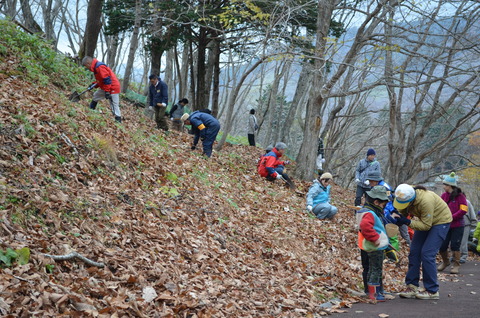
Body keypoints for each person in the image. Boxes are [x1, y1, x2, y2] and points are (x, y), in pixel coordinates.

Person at [393, 184, 452, 300]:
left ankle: (432, 290)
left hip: (440, 222)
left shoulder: (426, 201)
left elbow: (426, 225)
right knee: (414, 251)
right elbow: (403, 210)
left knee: (427, 253)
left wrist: (407, 221)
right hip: (426, 221)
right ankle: (412, 286)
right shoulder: (404, 193)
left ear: (412, 200)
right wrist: (398, 218)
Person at [356, 186, 390, 302]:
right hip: (372, 245)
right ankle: (373, 293)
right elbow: (365, 226)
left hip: (366, 244)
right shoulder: (370, 213)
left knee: (371, 268)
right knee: (374, 268)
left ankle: (376, 290)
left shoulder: (366, 210)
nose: (383, 207)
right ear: (376, 202)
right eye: (383, 204)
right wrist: (375, 238)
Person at [437, 172, 468, 274]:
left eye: (445, 185)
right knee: (442, 245)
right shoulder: (443, 196)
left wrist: (451, 217)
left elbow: (463, 210)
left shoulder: (461, 196)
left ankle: (456, 264)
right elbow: (439, 207)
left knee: (455, 245)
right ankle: (445, 262)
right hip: (445, 225)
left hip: (458, 225)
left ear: (450, 185)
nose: (443, 186)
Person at [81, 56, 122, 123]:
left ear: (88, 63)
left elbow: (107, 80)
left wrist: (107, 92)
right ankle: (91, 110)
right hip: (107, 87)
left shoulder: (99, 67)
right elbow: (100, 80)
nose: (87, 68)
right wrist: (94, 84)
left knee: (114, 105)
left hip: (113, 87)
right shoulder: (95, 68)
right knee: (96, 95)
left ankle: (118, 121)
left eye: (86, 66)